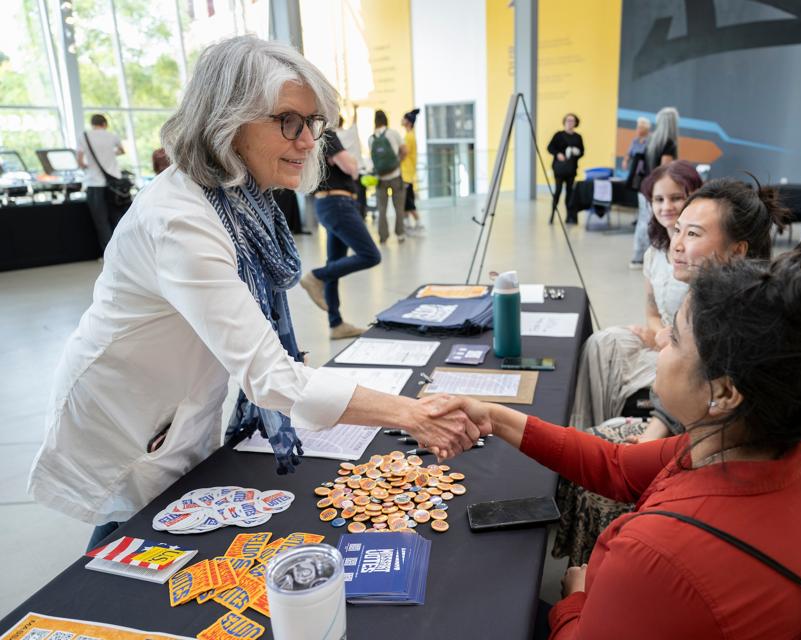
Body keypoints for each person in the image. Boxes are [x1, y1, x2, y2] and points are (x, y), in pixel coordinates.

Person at [27, 36, 483, 552]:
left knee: (164, 513)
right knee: (130, 524)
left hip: (181, 397)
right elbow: (268, 375)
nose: (309, 141)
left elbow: (257, 341)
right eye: (290, 120)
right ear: (227, 120)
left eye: (313, 123)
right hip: (127, 406)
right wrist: (411, 414)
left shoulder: (246, 199)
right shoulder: (180, 221)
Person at [432, 242, 801, 638]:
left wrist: (577, 597)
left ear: (725, 391)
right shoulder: (782, 452)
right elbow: (615, 465)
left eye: (676, 337)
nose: (659, 342)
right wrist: (496, 417)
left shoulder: (659, 556)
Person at [561, 177, 788, 565]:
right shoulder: (707, 298)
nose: (677, 244)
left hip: (714, 460)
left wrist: (656, 446)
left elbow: (726, 435)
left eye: (693, 233)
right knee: (592, 444)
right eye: (677, 230)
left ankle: (594, 586)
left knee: (597, 470)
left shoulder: (740, 319)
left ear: (738, 250)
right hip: (692, 439)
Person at [556, 161, 701, 564]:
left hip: (679, 349)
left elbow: (693, 345)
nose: (668, 207)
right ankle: (584, 436)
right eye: (659, 199)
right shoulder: (659, 251)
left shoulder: (707, 268)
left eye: (677, 198)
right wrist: (657, 334)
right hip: (665, 339)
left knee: (618, 349)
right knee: (602, 343)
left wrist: (668, 341)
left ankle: (600, 460)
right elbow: (653, 312)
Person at [300, 126, 381, 340]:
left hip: (330, 204)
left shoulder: (316, 137)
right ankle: (315, 277)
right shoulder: (327, 134)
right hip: (338, 203)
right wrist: (352, 163)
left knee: (334, 263)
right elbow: (350, 167)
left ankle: (336, 324)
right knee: (370, 255)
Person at [630, 107, 679, 267]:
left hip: (644, 187)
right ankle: (653, 259)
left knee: (644, 221)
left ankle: (638, 256)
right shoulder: (668, 143)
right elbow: (665, 171)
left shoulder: (650, 140)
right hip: (657, 190)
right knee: (657, 223)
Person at [76, 114, 126, 253]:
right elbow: (122, 151)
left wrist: (87, 166)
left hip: (94, 183)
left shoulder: (84, 136)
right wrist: (110, 155)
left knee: (101, 221)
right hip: (114, 184)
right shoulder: (112, 135)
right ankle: (122, 251)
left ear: (92, 124)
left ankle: (108, 253)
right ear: (105, 124)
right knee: (117, 218)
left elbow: (80, 161)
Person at [369, 109, 407, 244]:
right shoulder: (393, 133)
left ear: (375, 121)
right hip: (396, 176)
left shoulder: (371, 138)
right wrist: (397, 163)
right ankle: (400, 234)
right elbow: (405, 150)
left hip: (380, 179)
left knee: (382, 210)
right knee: (399, 208)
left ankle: (383, 237)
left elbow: (373, 159)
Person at [547, 113, 584, 224]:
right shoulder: (558, 135)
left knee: (570, 193)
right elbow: (550, 147)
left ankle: (569, 217)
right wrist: (558, 154)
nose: (570, 122)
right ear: (564, 121)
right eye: (568, 120)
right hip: (559, 169)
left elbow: (582, 152)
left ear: (575, 123)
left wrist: (576, 152)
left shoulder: (578, 137)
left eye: (572, 121)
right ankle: (552, 214)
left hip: (571, 169)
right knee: (557, 191)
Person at [400, 108, 423, 233]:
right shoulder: (409, 135)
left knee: (407, 201)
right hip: (408, 173)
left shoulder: (409, 137)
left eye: (404, 119)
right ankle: (407, 223)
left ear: (408, 122)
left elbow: (405, 152)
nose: (401, 121)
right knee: (406, 200)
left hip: (406, 174)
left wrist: (397, 159)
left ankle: (417, 222)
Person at [621, 116, 651, 190]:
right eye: (637, 127)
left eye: (640, 128)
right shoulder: (635, 141)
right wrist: (625, 161)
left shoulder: (651, 141)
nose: (637, 130)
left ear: (646, 129)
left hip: (646, 172)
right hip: (635, 172)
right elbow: (629, 153)